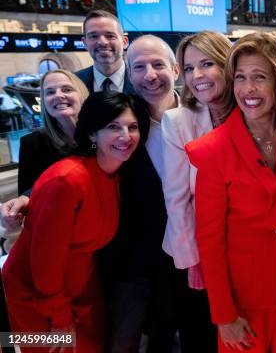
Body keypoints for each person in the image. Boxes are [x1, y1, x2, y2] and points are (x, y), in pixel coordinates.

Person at [185, 32, 276, 353]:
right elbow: (209, 241)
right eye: (240, 78)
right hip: (241, 302)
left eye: (259, 77)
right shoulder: (212, 151)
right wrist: (224, 316)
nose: (248, 89)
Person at [2, 91, 149, 353]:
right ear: (92, 134)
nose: (126, 136)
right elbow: (45, 261)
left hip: (79, 287)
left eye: (132, 127)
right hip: (37, 294)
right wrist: (59, 318)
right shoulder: (68, 179)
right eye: (113, 127)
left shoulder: (113, 173)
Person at [100, 34, 179, 353]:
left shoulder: (202, 115)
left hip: (191, 257)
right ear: (129, 74)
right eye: (139, 67)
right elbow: (87, 147)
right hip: (135, 261)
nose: (149, 75)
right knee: (128, 338)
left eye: (158, 65)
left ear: (175, 70)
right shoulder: (123, 119)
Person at [159, 31, 234, 351]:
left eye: (207, 64)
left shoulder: (253, 113)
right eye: (188, 69)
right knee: (202, 338)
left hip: (245, 247)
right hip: (197, 253)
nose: (197, 76)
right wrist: (195, 259)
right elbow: (177, 198)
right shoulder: (177, 122)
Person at [1, 70, 89, 248]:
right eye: (50, 92)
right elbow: (27, 194)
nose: (58, 96)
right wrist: (14, 213)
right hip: (59, 239)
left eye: (66, 89)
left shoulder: (100, 136)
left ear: (82, 94)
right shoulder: (32, 143)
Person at [75, 10, 135, 94]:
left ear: (124, 42)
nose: (102, 42)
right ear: (84, 43)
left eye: (110, 36)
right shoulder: (74, 82)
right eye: (94, 36)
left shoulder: (142, 80)